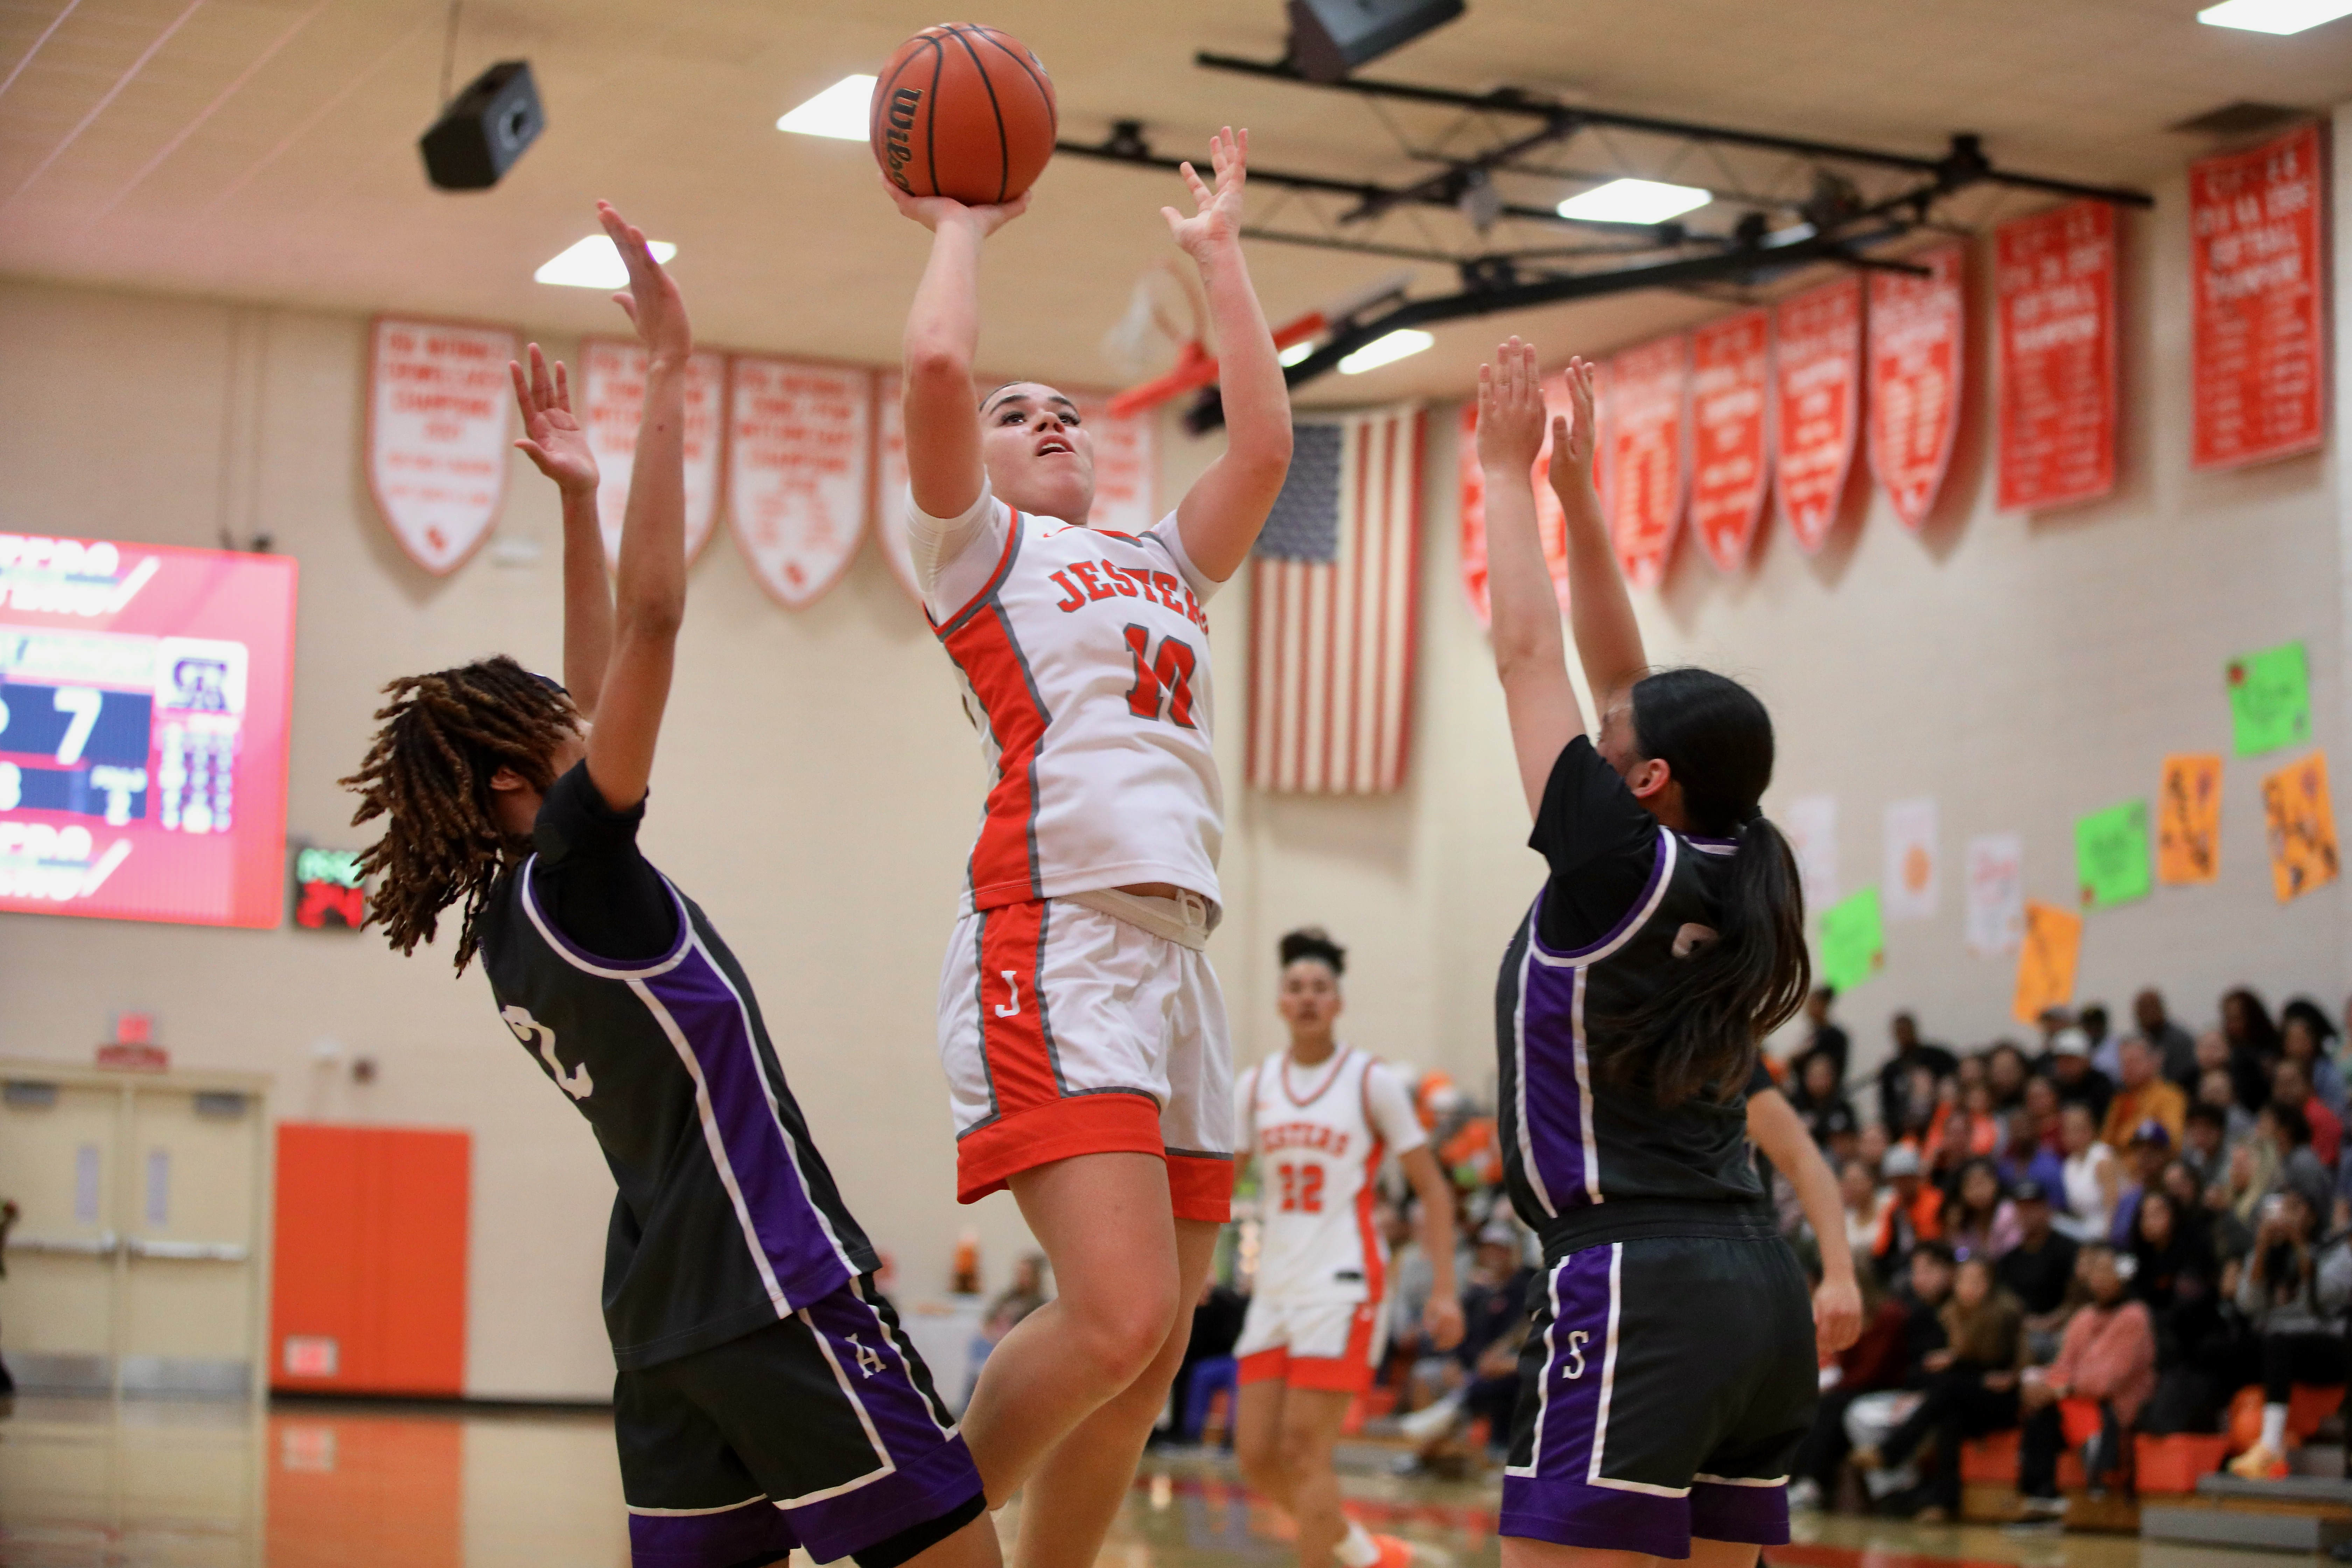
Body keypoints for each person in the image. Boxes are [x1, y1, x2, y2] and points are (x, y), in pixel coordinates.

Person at [340, 210, 995, 1568]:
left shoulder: (517, 916)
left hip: (663, 1329)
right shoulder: (579, 875)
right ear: (524, 778)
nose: (577, 714)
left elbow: (596, 675)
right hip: (778, 1288)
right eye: (546, 718)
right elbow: (650, 624)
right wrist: (668, 376)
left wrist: (574, 495)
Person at [890, 127, 1293, 1565]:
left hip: (1178, 961)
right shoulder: (975, 550)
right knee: (1115, 1311)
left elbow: (1264, 446)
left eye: (1066, 408)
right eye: (1020, 414)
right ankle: (917, 1533)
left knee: (1157, 1341)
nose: (1049, 418)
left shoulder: (1158, 558)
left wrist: (1220, 257)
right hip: (1051, 933)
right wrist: (960, 221)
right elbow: (937, 372)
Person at [1474, 339, 1825, 1565]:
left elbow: (1527, 656)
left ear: (1649, 778)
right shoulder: (1742, 867)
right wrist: (1578, 503)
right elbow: (1626, 679)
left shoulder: (1615, 867)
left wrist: (1501, 473)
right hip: (1756, 1286)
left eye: (1613, 733)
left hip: (1636, 1281)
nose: (1600, 711)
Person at [1232, 928, 1463, 1568]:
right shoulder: (1254, 1087)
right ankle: (1367, 1556)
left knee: (1306, 1451)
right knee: (1256, 1455)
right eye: (1296, 988)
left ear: (1338, 1003)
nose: (1307, 998)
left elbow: (1434, 1192)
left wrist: (1443, 1287)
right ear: (1280, 1001)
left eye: (1320, 989)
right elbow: (1220, 1186)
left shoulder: (1369, 1081)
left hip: (1343, 1281)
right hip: (1274, 1285)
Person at [1851, 1255, 2024, 1522]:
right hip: (1967, 1396)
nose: (1969, 1287)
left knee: (1950, 1389)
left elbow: (1997, 1364)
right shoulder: (1950, 1314)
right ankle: (1945, 1502)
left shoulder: (2004, 1312)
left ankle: (1892, 1452)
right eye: (1964, 1280)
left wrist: (1956, 1359)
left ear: (1991, 1285)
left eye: (1977, 1281)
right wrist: (1954, 1361)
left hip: (2004, 1397)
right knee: (1949, 1415)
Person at [2015, 1245, 2155, 1518]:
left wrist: (2058, 1389)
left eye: (2108, 1271)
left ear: (2124, 1276)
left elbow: (2107, 1382)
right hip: (2074, 1401)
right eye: (2096, 1271)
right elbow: (2062, 1367)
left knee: (2050, 1411)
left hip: (2114, 1411)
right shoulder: (2083, 1317)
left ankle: (2062, 1489)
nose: (2100, 1278)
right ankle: (2041, 1498)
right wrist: (2041, 1384)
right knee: (2036, 1408)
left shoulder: (2134, 1318)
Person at [2227, 1185, 2352, 1479]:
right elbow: (2248, 1304)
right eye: (2283, 1208)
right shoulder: (2267, 1249)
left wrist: (2299, 1246)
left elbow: (2325, 1296)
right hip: (2276, 1347)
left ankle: (2270, 1445)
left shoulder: (2334, 1249)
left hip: (2327, 1346)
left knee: (2279, 1342)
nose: (2287, 1216)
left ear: (2311, 1214)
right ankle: (2231, 1447)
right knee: (2223, 1347)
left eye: (2295, 1208)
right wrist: (2260, 1248)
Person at [1996, 1180, 2080, 1362]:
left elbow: (2077, 1299)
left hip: (2062, 1331)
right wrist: (2024, 1324)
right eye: (2022, 1209)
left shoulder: (2070, 1250)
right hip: (2021, 1332)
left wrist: (2047, 1323)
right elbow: (2005, 1302)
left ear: (2047, 1209)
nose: (2027, 1215)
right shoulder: (2008, 1260)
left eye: (2033, 1207)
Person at [1876, 1014, 1959, 1139]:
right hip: (1906, 1132)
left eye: (1906, 1031)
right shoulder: (1891, 1070)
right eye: (1899, 1032)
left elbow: (1953, 1080)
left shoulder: (1938, 1058)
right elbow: (1887, 1108)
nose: (1904, 1036)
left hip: (1940, 1123)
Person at [2098, 1036, 2186, 1153]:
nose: (2128, 1068)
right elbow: (2105, 1143)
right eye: (2124, 1063)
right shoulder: (2120, 1099)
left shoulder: (2170, 1096)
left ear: (2154, 1062)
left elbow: (2173, 1140)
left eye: (2134, 1061)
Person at [1871, 1144, 1941, 1282]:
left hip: (1931, 1260)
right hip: (1902, 1262)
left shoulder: (1935, 1201)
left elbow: (1930, 1241)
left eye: (1906, 1178)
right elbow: (1880, 1248)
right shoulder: (1894, 1207)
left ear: (1916, 1177)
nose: (1902, 1184)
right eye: (1897, 1179)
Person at [2055, 1102, 2119, 1244]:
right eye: (2068, 1131)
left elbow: (2114, 1207)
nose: (2072, 1136)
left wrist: (2106, 1242)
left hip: (2107, 1233)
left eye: (2078, 1130)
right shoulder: (2069, 1165)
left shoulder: (2102, 1158)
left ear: (2091, 1130)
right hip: (2085, 1231)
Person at [1944, 1158, 2019, 1264]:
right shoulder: (1962, 1219)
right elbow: (1960, 1257)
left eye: (1983, 1183)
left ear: (1996, 1183)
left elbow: (2014, 1253)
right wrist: (1953, 1229)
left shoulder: (2009, 1212)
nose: (1978, 1192)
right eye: (1972, 1186)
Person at [2220, 988, 2283, 1114]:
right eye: (2228, 1020)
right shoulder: (2228, 1051)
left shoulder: (2275, 1049)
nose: (2231, 1025)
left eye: (2236, 1019)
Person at [1786, 1050, 1858, 1148]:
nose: (1818, 1082)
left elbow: (1850, 1144)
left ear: (1832, 1078)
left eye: (1822, 1076)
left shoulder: (1843, 1108)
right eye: (1814, 1076)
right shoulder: (1794, 1106)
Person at [2043, 1030, 2115, 1127]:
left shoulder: (2102, 1086)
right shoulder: (2053, 1087)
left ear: (2086, 1060)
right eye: (2061, 1060)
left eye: (2071, 1059)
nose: (2066, 1065)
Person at [2133, 989, 2200, 1091]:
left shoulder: (2181, 1040)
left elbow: (2183, 1077)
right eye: (2141, 1011)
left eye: (2150, 1008)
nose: (2146, 1015)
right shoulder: (2138, 1042)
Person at [1795, 987, 1850, 1089]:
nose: (1808, 1009)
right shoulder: (1811, 1036)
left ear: (1823, 1005)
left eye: (1813, 1004)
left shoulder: (1834, 1037)